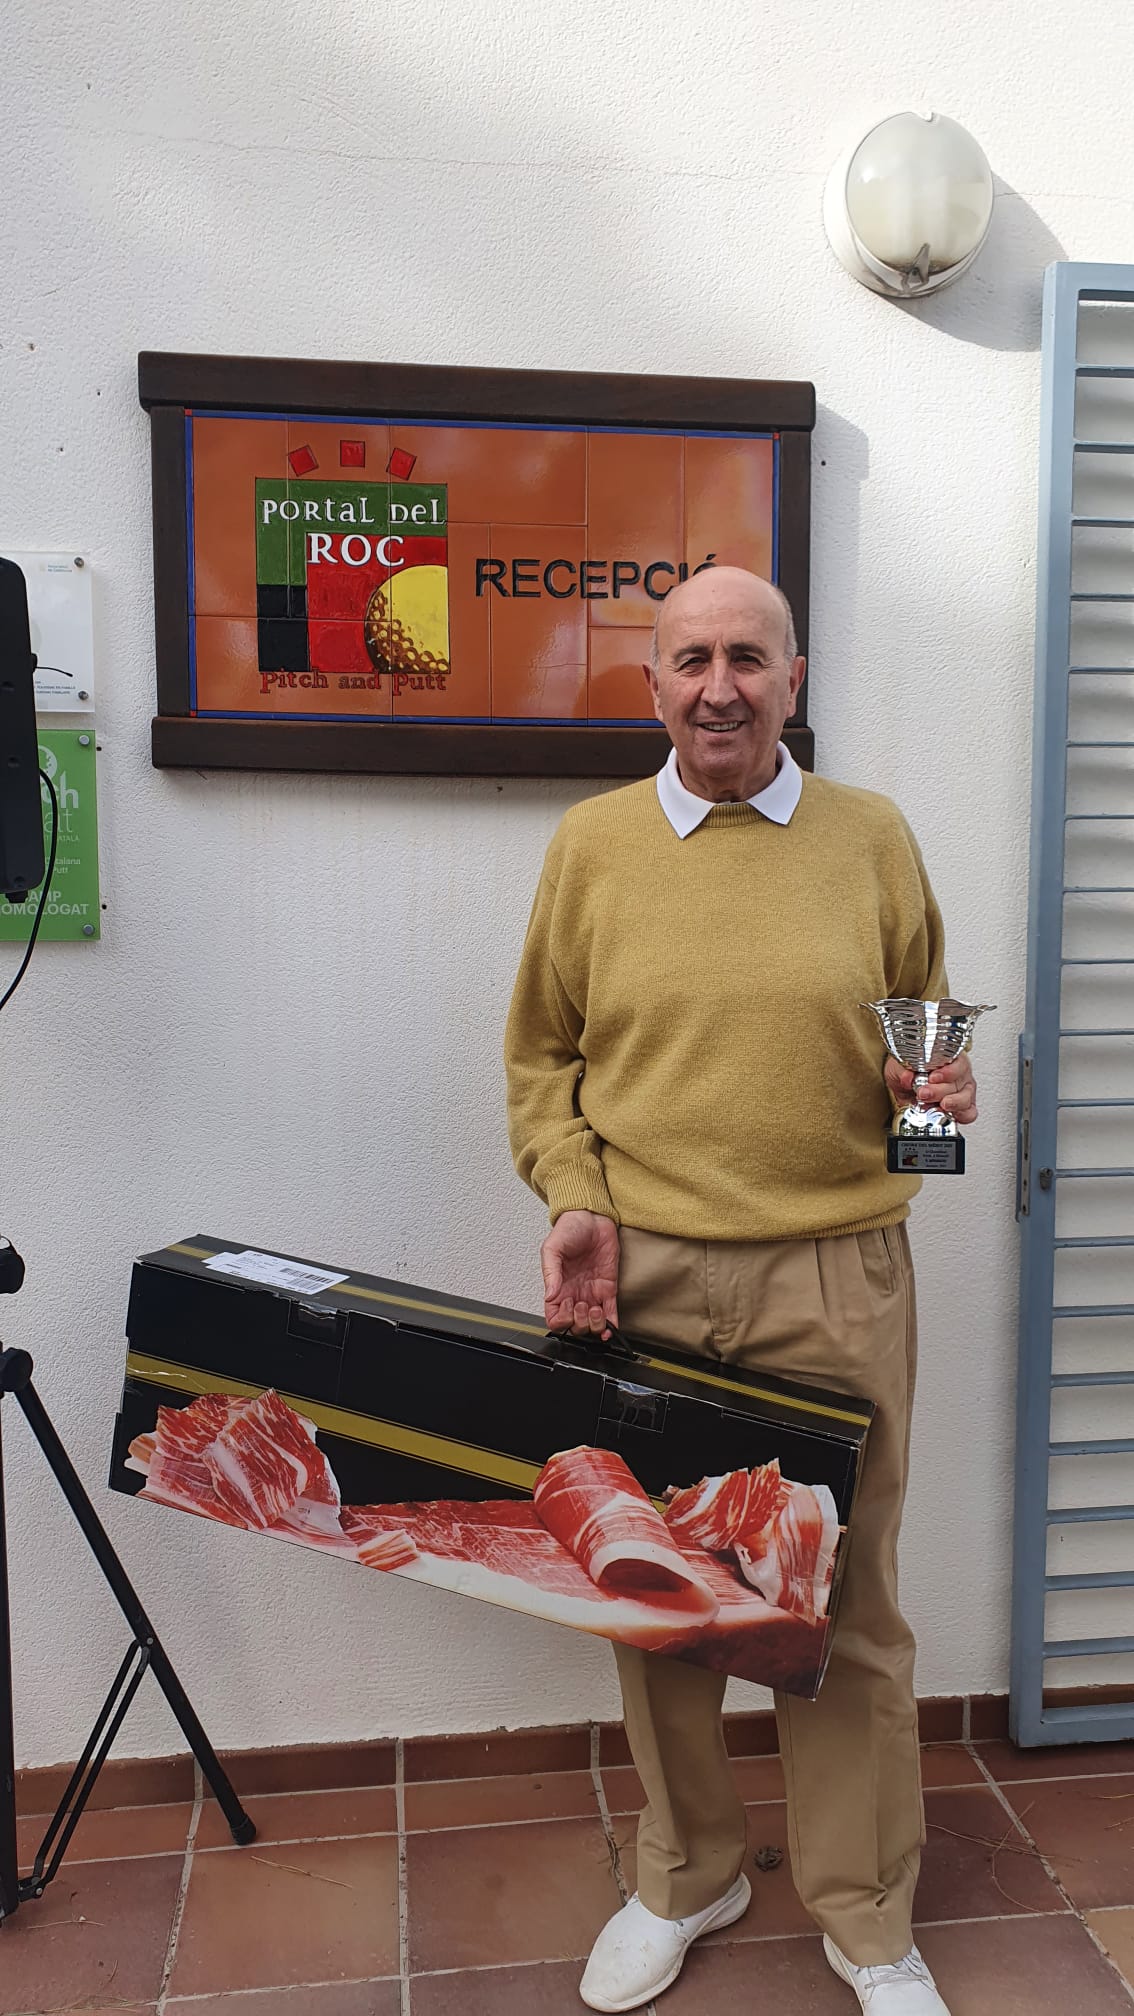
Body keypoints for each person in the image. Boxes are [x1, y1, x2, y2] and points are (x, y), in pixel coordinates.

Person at [504, 566, 978, 2016]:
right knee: (659, 1599)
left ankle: (865, 1913)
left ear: (794, 680)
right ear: (651, 683)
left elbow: (924, 1062)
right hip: (638, 1277)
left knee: (847, 1607)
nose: (720, 687)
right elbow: (542, 1060)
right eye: (692, 659)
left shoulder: (871, 838)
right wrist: (573, 1194)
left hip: (835, 1272)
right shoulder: (592, 847)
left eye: (749, 660)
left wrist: (936, 1103)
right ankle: (686, 1874)